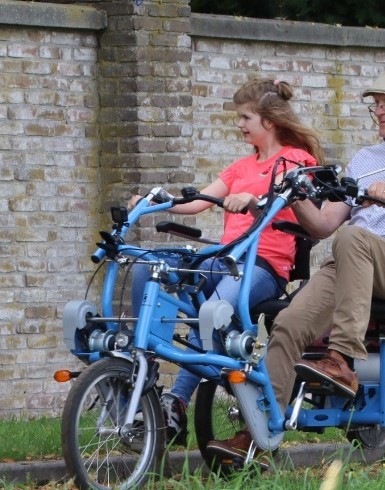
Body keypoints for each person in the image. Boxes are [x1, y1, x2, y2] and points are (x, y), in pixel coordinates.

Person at [205, 65, 385, 460]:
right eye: (375, 105)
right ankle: (258, 435)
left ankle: (342, 359)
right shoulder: (365, 159)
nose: (379, 111)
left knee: (353, 239)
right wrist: (297, 197)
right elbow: (323, 226)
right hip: (351, 260)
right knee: (287, 325)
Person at [130, 78, 324, 445]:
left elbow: (287, 196)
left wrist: (252, 200)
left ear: (269, 121)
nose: (239, 124)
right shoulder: (239, 167)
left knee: (213, 311)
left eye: (245, 117)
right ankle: (144, 369)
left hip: (264, 265)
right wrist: (154, 201)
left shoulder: (297, 161)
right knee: (149, 268)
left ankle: (177, 402)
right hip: (224, 261)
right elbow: (197, 203)